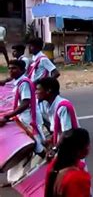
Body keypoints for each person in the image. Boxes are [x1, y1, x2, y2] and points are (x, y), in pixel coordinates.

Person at [0, 60, 46, 188]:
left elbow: (25, 103)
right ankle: (15, 179)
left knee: (36, 146)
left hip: (29, 119)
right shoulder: (18, 81)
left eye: (14, 68)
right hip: (21, 119)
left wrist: (7, 116)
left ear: (21, 70)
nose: (11, 71)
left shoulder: (24, 83)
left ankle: (52, 165)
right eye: (9, 68)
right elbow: (9, 81)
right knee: (18, 147)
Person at [45, 128, 91, 197]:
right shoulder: (78, 178)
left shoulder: (53, 165)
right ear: (79, 151)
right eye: (88, 144)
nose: (89, 147)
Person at [36, 77, 80, 146]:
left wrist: (55, 148)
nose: (36, 92)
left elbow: (66, 132)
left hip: (69, 146)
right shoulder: (47, 105)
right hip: (61, 141)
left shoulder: (63, 106)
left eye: (38, 89)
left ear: (48, 90)